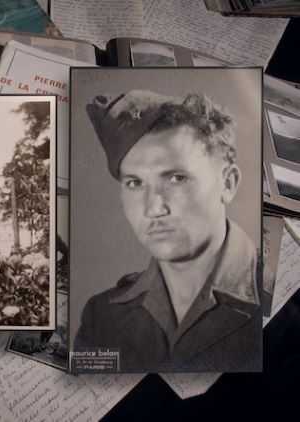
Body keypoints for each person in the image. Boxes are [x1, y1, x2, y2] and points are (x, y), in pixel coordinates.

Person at [74, 90, 261, 372]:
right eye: (135, 183)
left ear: (228, 183)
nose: (153, 209)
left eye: (176, 178)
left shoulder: (278, 300)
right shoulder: (103, 317)